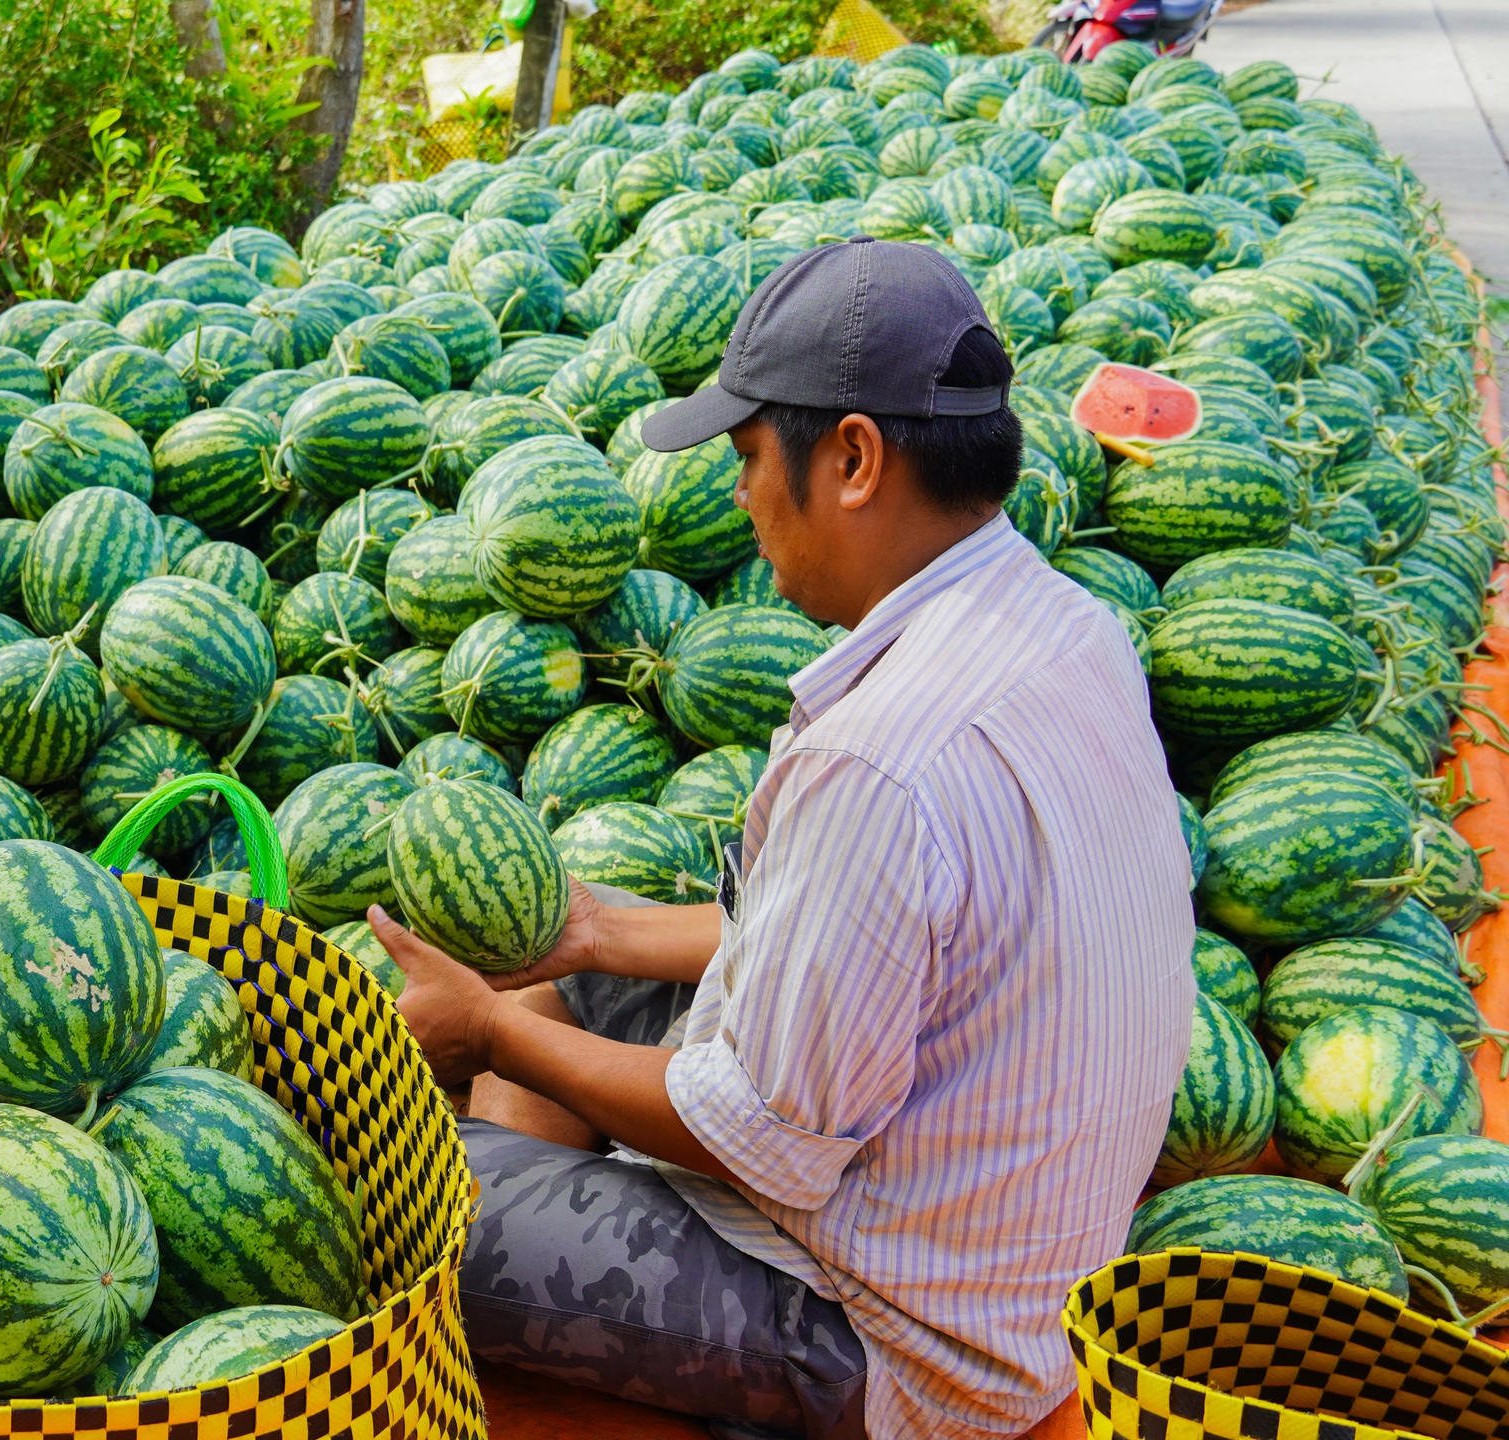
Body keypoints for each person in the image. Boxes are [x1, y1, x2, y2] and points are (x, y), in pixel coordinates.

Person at [368, 237, 1195, 1440]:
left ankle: (535, 1255)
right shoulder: (1066, 625)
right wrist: (587, 929)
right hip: (999, 1231)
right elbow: (858, 949)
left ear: (852, 459)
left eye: (751, 457)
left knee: (394, 1192)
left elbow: (752, 1134)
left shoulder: (881, 757)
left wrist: (487, 1025)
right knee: (572, 976)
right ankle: (534, 1191)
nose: (739, 497)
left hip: (893, 1334)